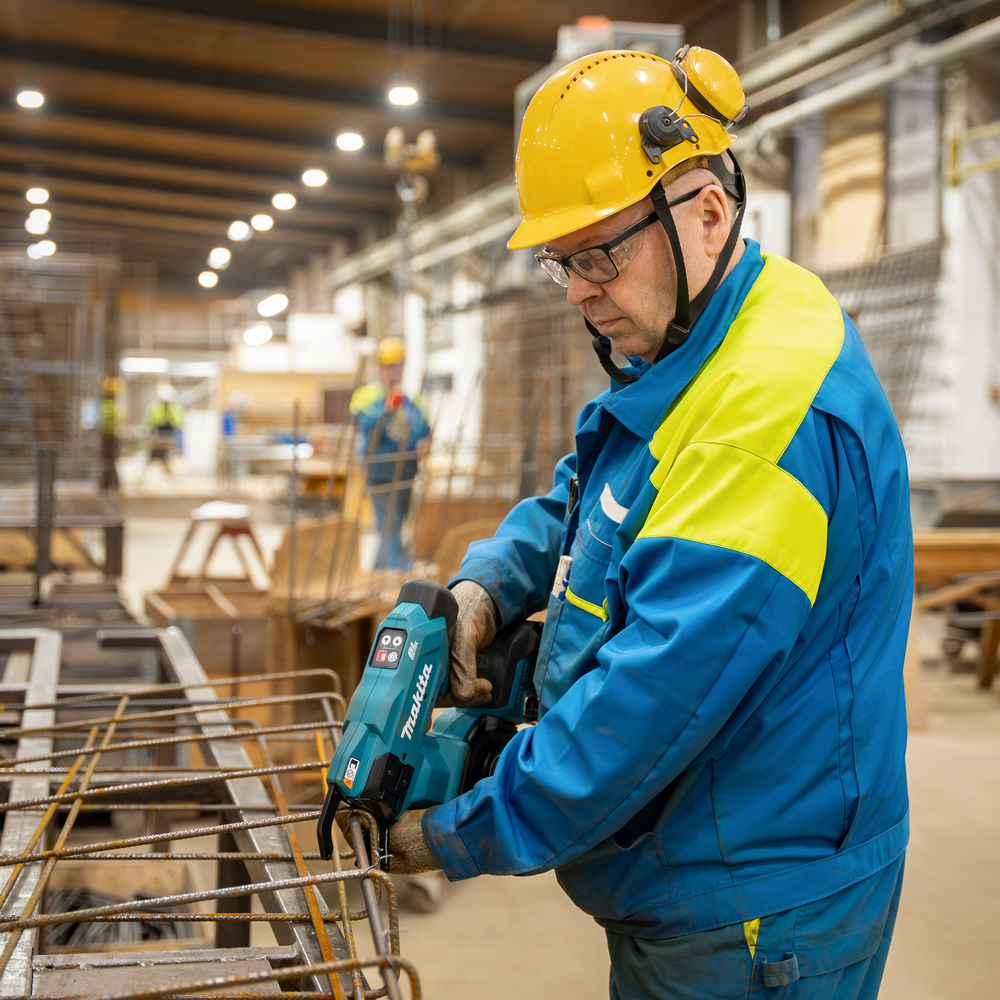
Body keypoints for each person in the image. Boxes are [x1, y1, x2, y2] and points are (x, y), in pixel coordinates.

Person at [383, 46, 913, 998]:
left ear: (706, 211)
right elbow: (596, 485)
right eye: (561, 263)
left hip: (756, 910)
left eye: (599, 253)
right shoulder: (711, 331)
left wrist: (460, 830)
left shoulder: (766, 424)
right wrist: (489, 582)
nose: (580, 288)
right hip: (688, 872)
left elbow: (645, 707)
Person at [350, 337, 430, 569]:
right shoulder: (365, 397)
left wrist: (424, 441)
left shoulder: (414, 401)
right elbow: (363, 427)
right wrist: (385, 409)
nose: (393, 372)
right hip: (380, 473)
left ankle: (381, 568)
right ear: (380, 367)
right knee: (389, 523)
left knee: (397, 523)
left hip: (406, 472)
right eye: (389, 366)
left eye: (398, 366)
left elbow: (422, 430)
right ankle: (397, 572)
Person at [141, 383, 184, 480]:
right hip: (156, 433)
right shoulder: (154, 406)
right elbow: (149, 421)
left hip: (170, 433)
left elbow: (179, 422)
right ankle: (160, 457)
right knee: (155, 452)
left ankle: (168, 456)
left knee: (169, 450)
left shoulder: (175, 407)